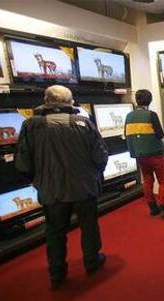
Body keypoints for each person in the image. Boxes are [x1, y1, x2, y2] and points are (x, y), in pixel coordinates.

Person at [15, 85, 108, 289]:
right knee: (89, 227)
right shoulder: (84, 123)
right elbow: (100, 156)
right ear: (71, 101)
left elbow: (22, 162)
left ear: (46, 100)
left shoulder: (31, 125)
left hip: (51, 190)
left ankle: (57, 272)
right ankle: (92, 261)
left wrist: (37, 180)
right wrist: (94, 175)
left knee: (55, 232)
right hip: (84, 187)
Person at [125, 89, 164, 220]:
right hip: (155, 154)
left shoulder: (129, 116)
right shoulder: (151, 115)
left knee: (147, 180)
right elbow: (160, 134)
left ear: (137, 100)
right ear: (150, 101)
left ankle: (153, 208)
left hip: (140, 155)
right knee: (163, 181)